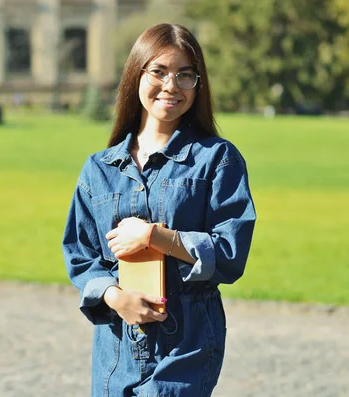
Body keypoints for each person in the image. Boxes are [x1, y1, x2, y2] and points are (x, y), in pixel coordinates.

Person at [62, 24, 256, 397]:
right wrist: (115, 297)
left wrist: (155, 236)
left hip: (188, 343)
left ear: (198, 85)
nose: (172, 85)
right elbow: (80, 256)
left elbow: (230, 253)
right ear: (136, 74)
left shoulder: (217, 160)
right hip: (116, 347)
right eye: (159, 72)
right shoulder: (98, 169)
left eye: (185, 75)